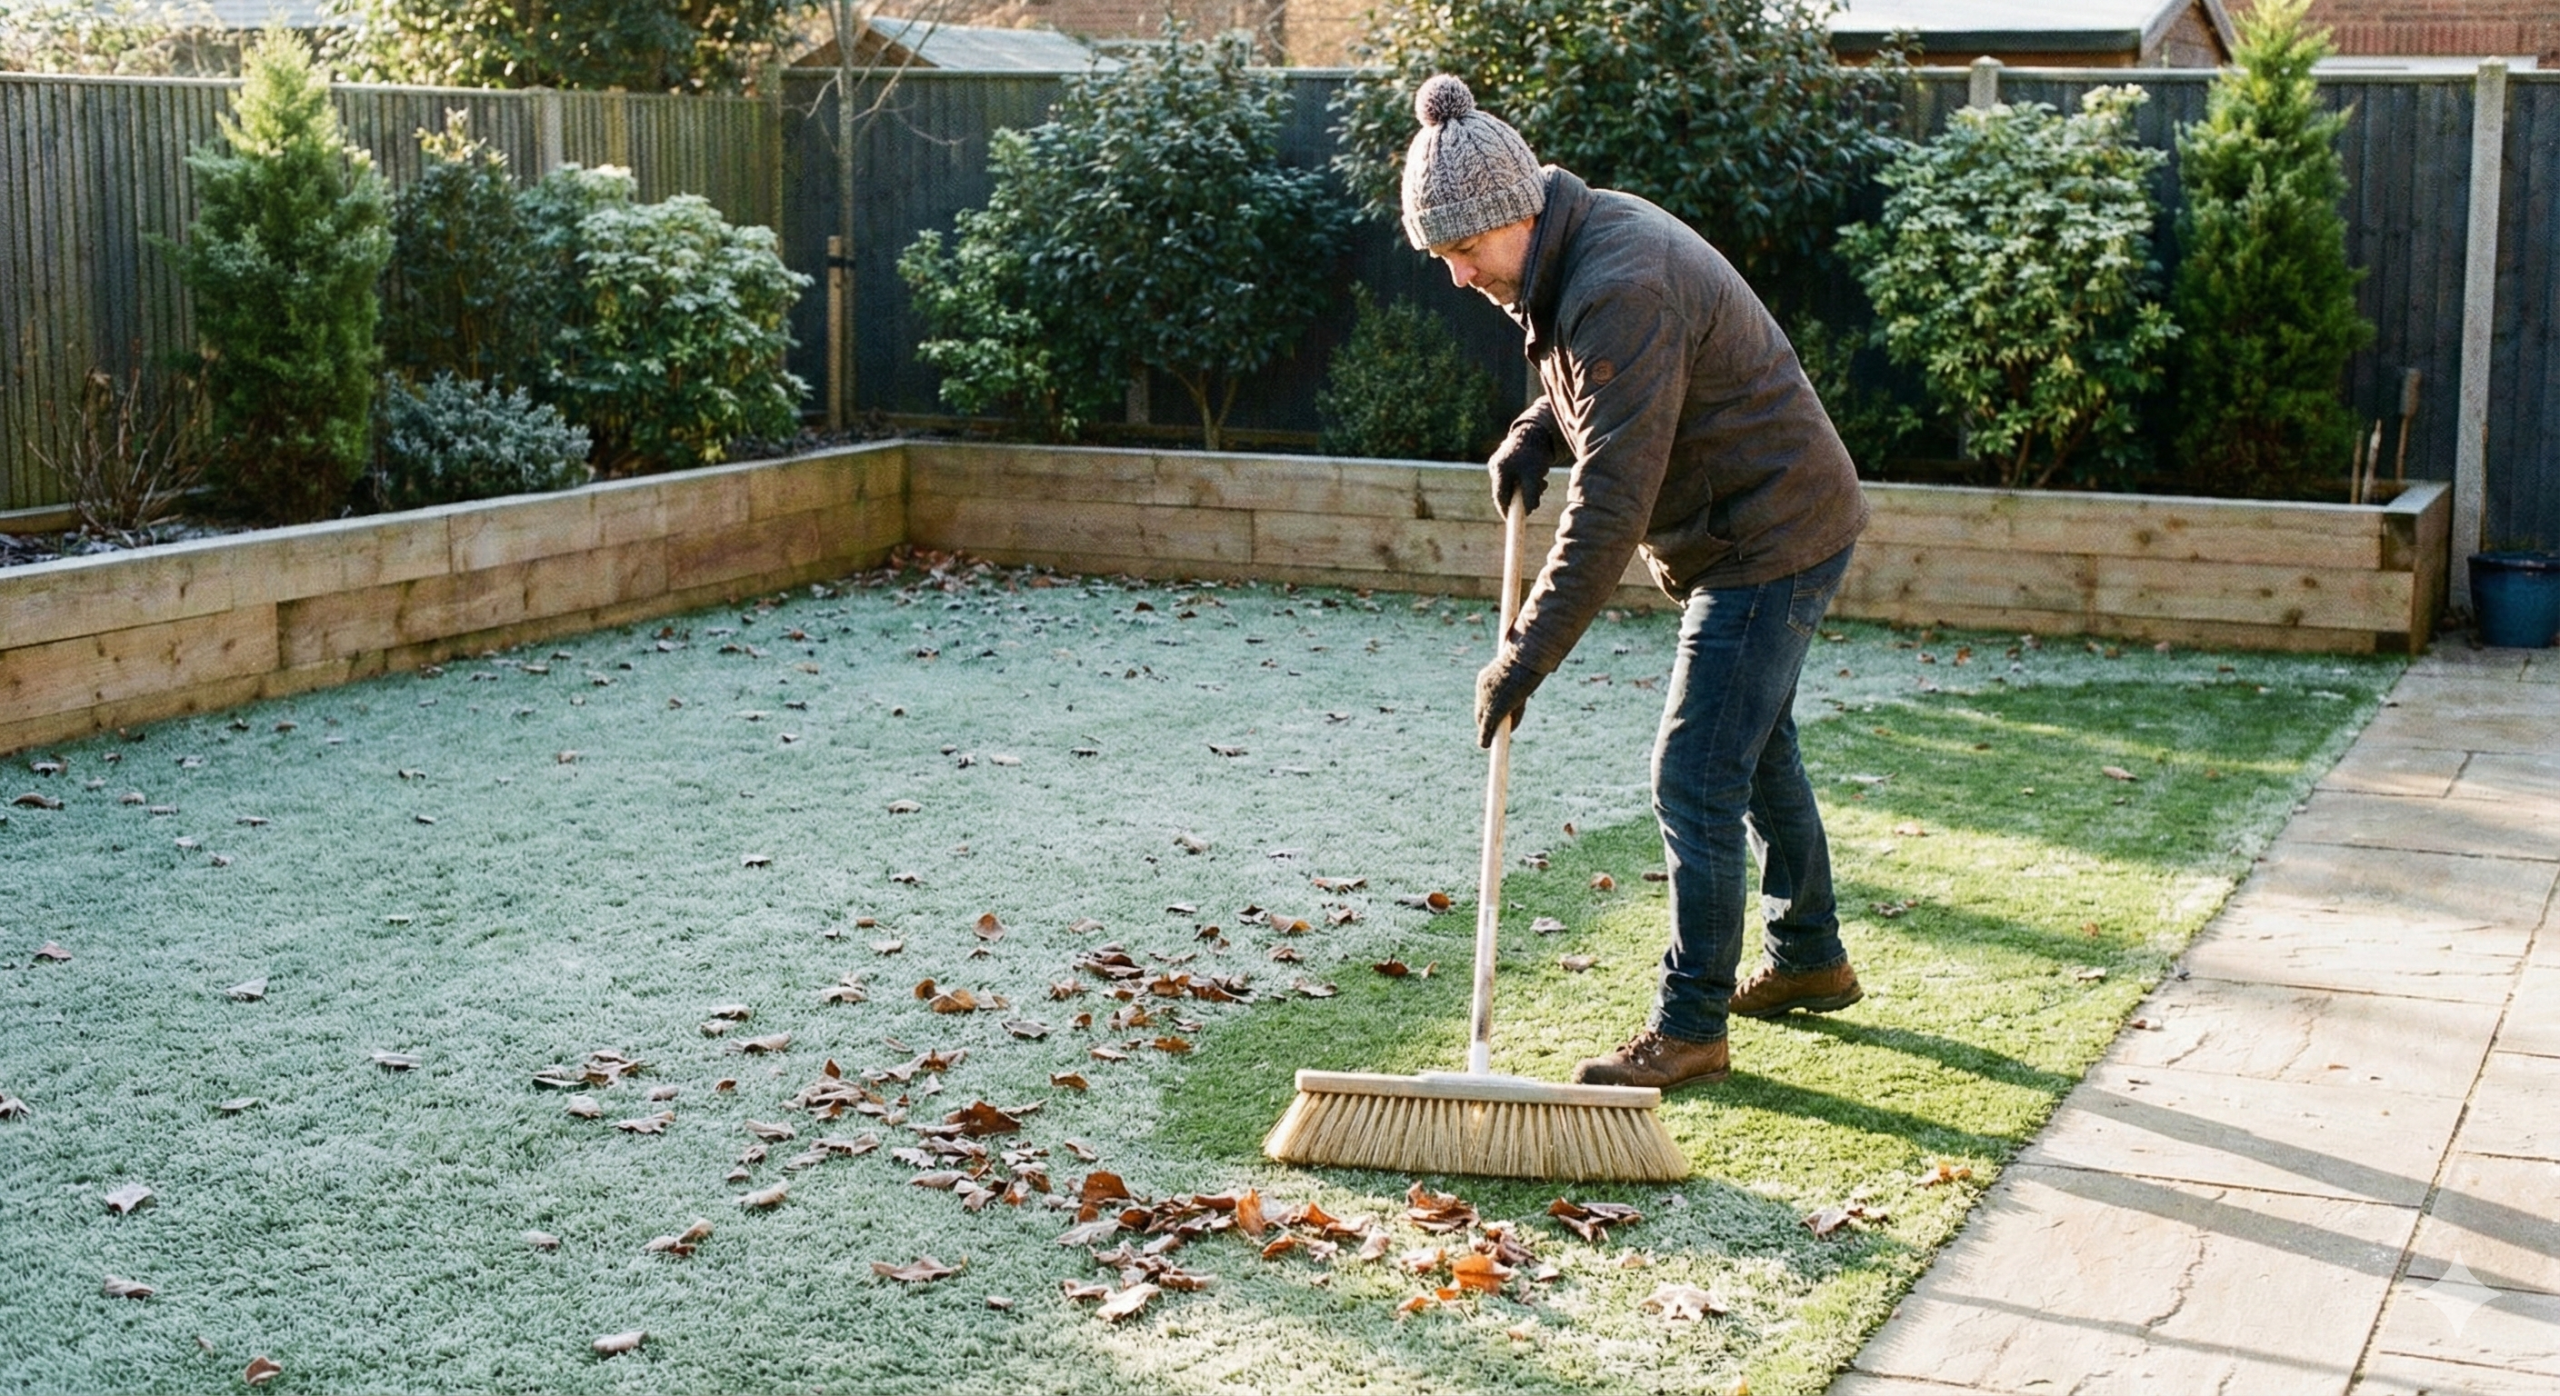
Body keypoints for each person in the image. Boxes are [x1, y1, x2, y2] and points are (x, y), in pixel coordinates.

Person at [1400, 74, 1870, 1090]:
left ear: (1511, 215)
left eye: (1461, 251)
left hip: (1769, 535)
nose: (1455, 275)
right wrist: (1537, 428)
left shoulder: (1619, 281)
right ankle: (1809, 956)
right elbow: (1604, 389)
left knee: (1696, 769)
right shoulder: (1575, 247)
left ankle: (1691, 1023)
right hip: (1760, 518)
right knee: (1753, 750)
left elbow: (1611, 503)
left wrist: (1524, 653)